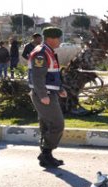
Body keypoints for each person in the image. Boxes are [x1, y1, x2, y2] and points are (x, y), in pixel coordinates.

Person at [28, 27, 68, 168]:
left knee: (47, 126)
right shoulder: (41, 53)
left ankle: (47, 156)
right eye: (58, 38)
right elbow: (38, 76)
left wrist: (60, 89)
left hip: (49, 93)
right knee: (57, 124)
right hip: (44, 95)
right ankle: (45, 153)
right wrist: (43, 95)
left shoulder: (48, 52)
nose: (60, 41)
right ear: (51, 38)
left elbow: (51, 75)